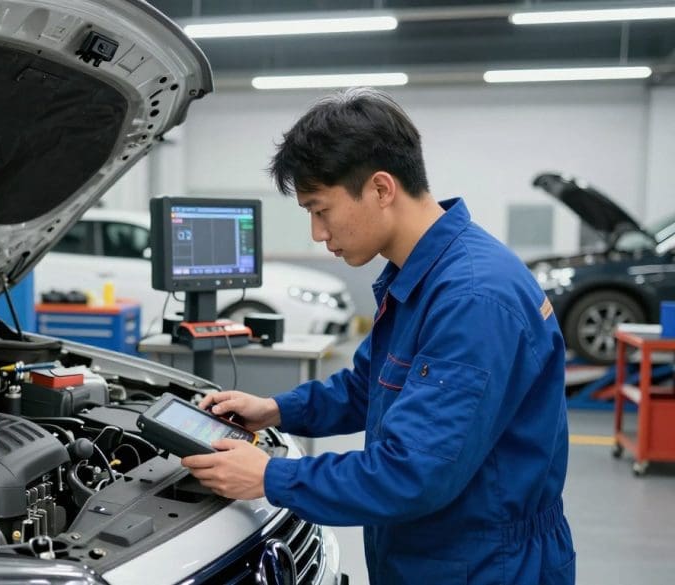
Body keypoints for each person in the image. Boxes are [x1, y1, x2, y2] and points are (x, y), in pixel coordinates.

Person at [181, 87, 575, 585]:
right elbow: (368, 387)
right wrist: (277, 409)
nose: (317, 234)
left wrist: (269, 476)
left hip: (483, 565)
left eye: (320, 209)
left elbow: (412, 473)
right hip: (434, 551)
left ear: (381, 189)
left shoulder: (472, 298)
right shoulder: (424, 276)